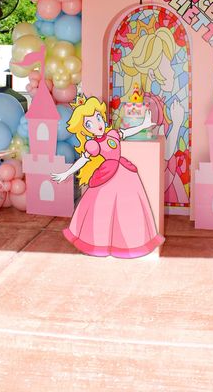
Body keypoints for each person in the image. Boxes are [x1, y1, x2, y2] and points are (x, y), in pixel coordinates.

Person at [51, 96, 164, 259]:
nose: (97, 124)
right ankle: (101, 243)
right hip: (106, 176)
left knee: (128, 209)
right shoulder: (93, 144)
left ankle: (128, 242)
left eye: (98, 117)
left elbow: (126, 132)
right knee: (102, 210)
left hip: (124, 173)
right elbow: (83, 160)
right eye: (89, 124)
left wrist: (143, 125)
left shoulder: (112, 133)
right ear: (85, 129)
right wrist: (67, 173)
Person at [118, 26, 189, 205]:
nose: (172, 72)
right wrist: (178, 123)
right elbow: (164, 153)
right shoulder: (150, 105)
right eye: (168, 65)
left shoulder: (155, 101)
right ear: (151, 72)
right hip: (160, 176)